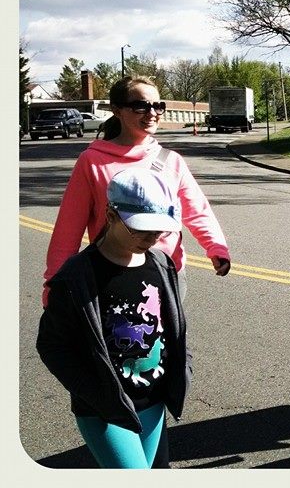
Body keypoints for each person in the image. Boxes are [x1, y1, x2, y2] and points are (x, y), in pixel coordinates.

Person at [36, 168, 191, 468]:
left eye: (160, 229)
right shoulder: (76, 278)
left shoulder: (161, 264)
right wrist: (95, 394)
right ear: (110, 215)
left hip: (154, 402)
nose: (152, 237)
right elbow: (52, 346)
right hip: (106, 411)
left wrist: (183, 366)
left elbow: (173, 326)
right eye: (140, 228)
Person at [43, 76, 230, 309]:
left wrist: (216, 247)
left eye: (157, 106)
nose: (152, 113)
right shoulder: (92, 162)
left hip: (167, 271)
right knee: (121, 342)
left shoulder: (172, 161)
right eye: (141, 105)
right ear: (117, 110)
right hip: (113, 274)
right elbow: (68, 227)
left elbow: (197, 211)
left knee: (168, 344)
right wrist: (54, 283)